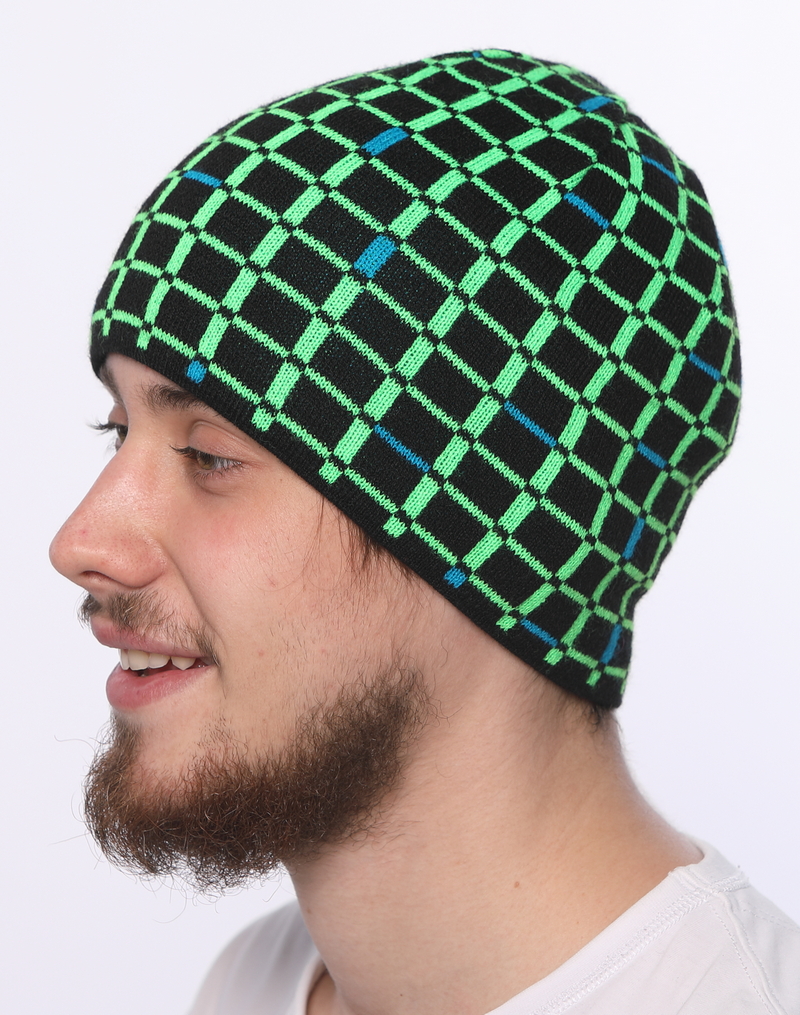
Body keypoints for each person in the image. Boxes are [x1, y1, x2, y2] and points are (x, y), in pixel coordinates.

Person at [49, 49, 800, 1014]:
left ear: (497, 538)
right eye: (117, 430)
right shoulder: (252, 982)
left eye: (211, 453)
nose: (81, 541)